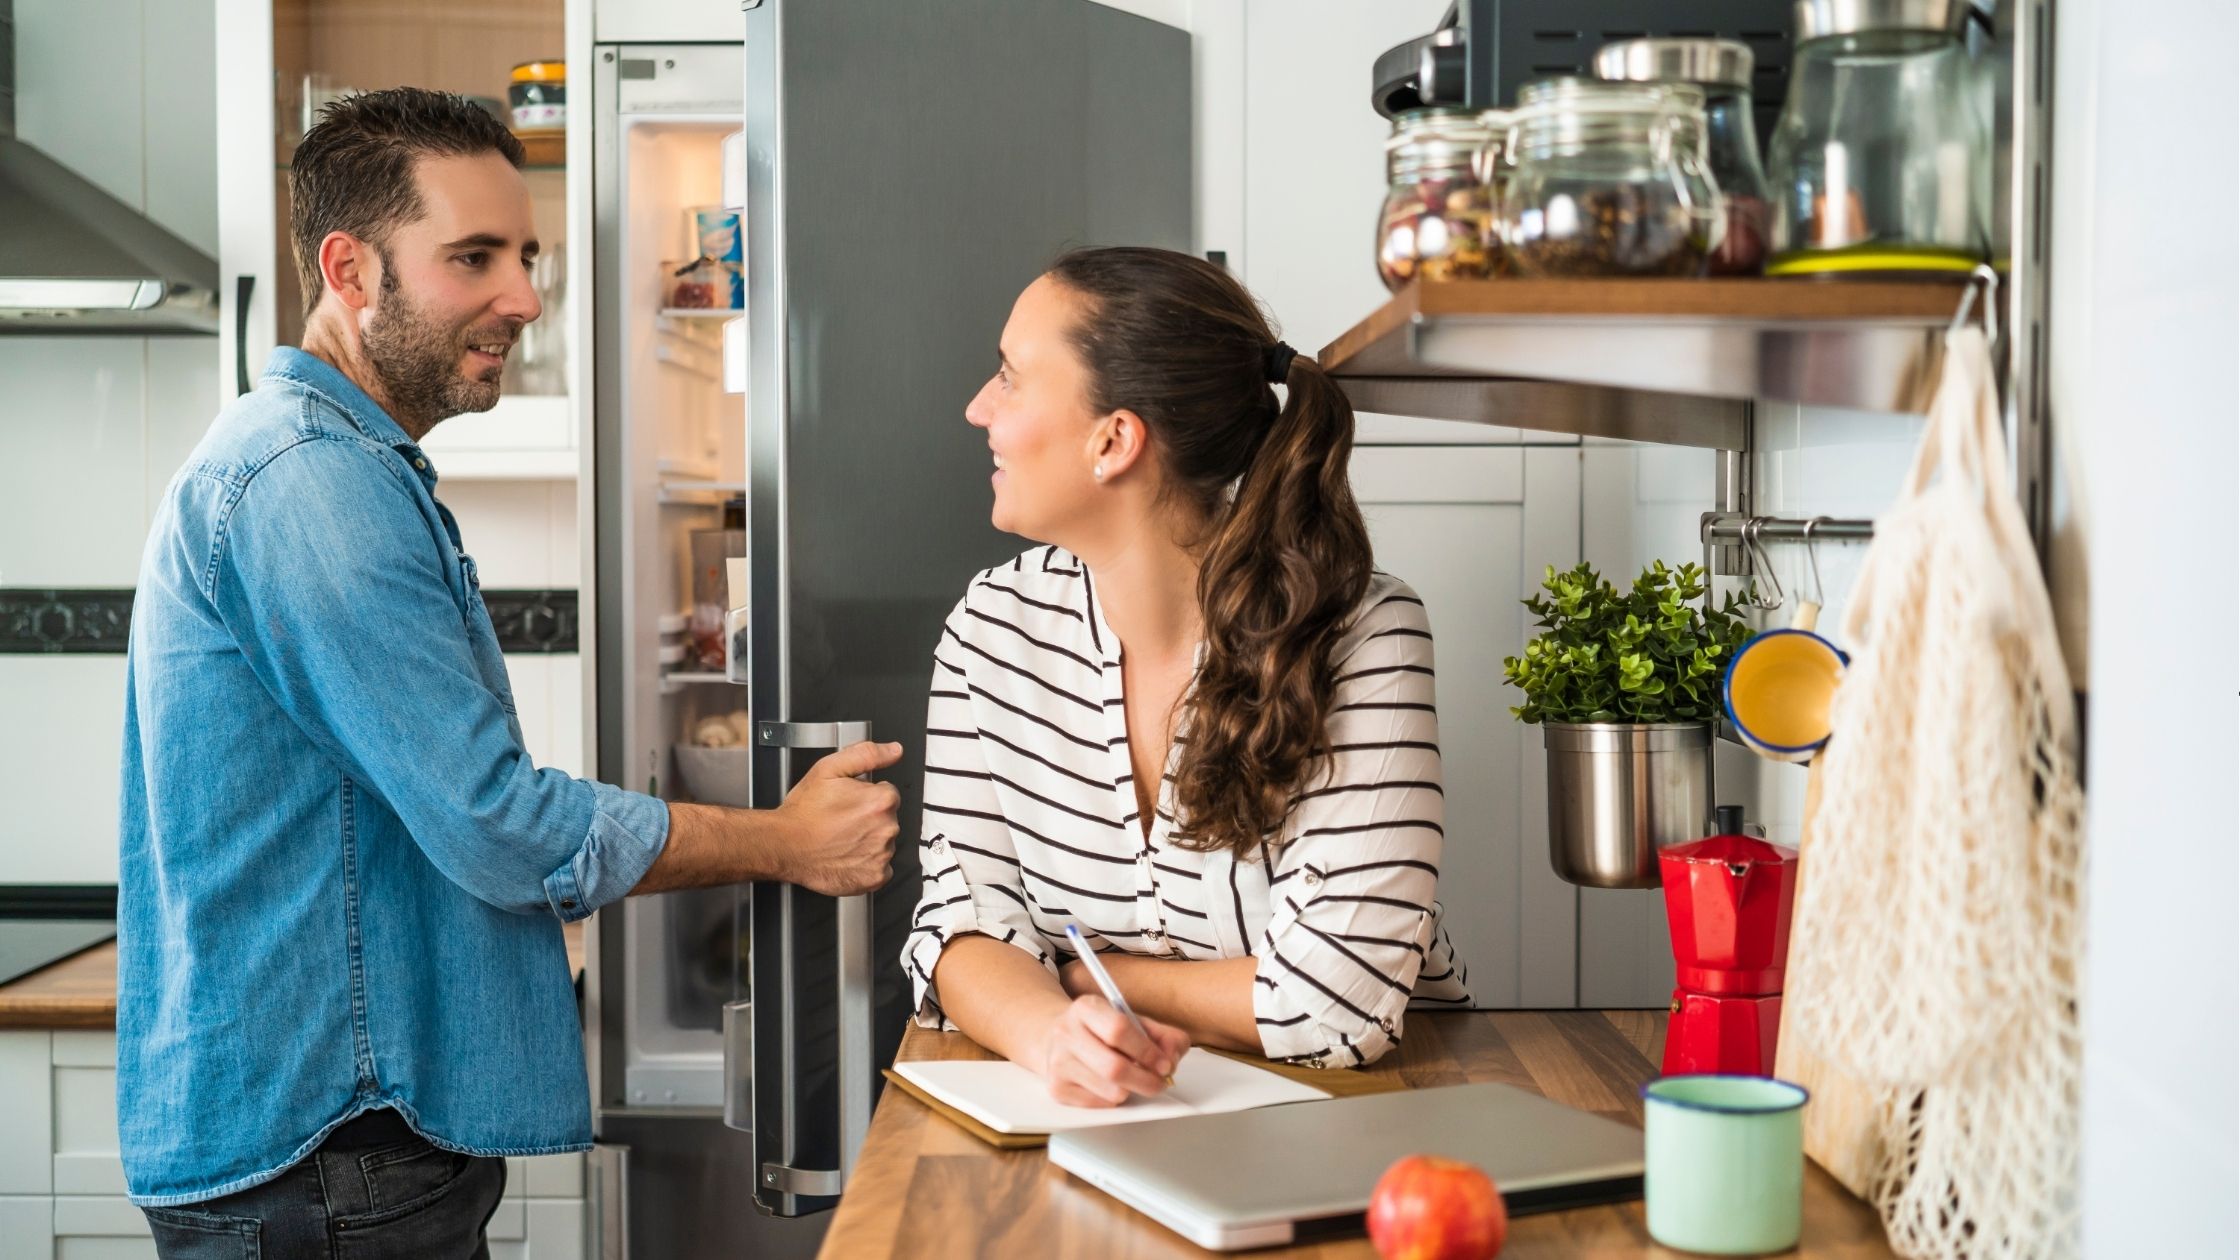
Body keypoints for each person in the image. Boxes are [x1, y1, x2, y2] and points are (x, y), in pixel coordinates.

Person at [116, 88, 901, 1257]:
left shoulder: (339, 469)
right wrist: (783, 842)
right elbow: (497, 823)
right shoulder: (309, 486)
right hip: (327, 1161)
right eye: (473, 257)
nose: (525, 298)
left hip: (333, 1156)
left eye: (525, 256)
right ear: (352, 270)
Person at [904, 246, 1471, 1108]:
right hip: (1111, 1119)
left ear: (1114, 441)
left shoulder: (1360, 636)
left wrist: (1084, 978)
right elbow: (959, 923)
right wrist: (1053, 1036)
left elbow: (1337, 1005)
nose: (979, 407)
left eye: (1011, 378)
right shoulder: (992, 629)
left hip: (1378, 1114)